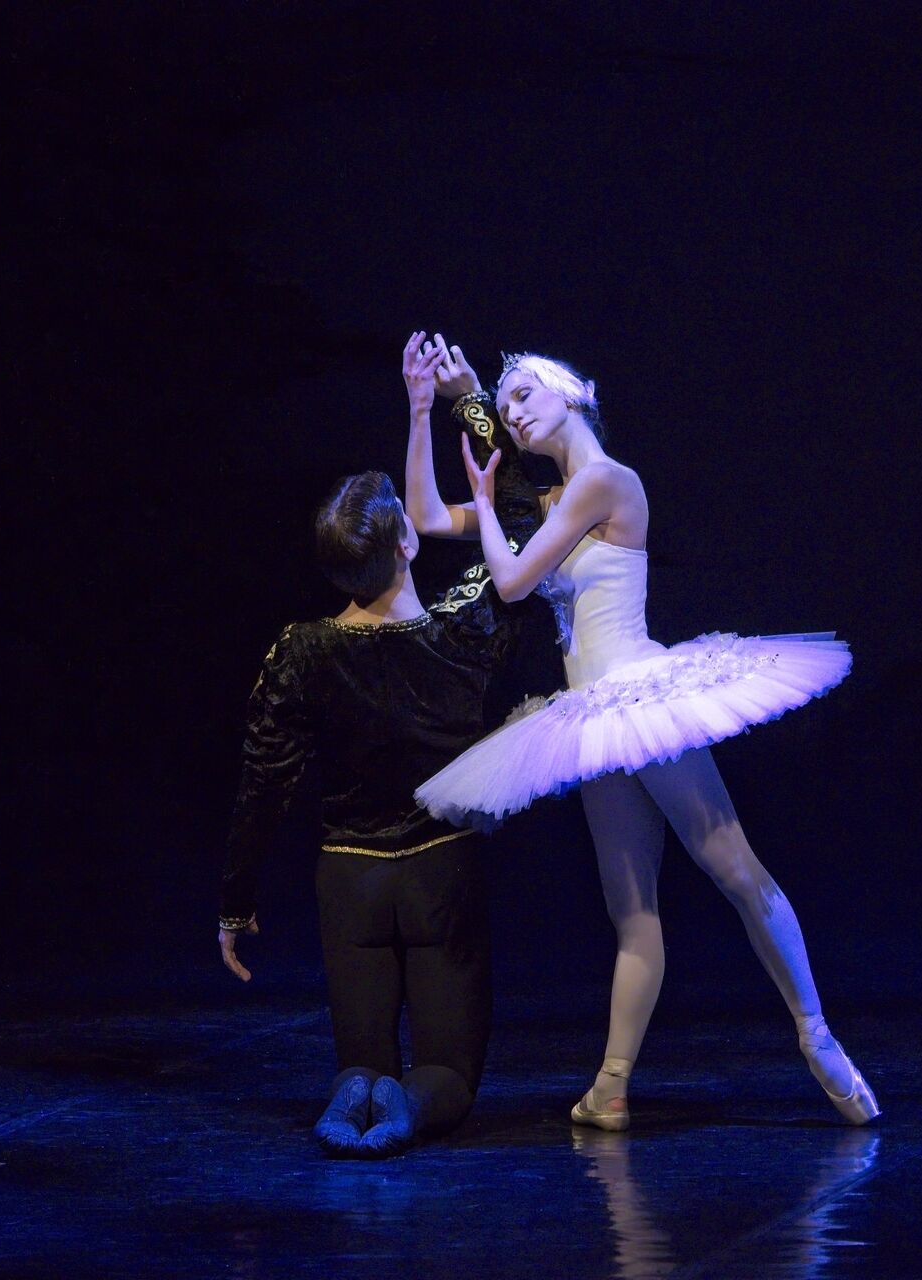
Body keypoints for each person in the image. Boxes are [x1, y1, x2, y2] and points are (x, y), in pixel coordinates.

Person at [408, 345, 878, 1130]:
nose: (512, 412)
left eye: (524, 395)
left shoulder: (606, 481)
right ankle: (612, 1086)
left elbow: (514, 581)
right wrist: (425, 407)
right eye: (504, 402)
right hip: (593, 722)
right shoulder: (553, 500)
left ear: (572, 396)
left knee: (734, 868)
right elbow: (425, 518)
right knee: (631, 914)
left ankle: (817, 1035)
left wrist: (486, 501)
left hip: (637, 697)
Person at [217, 333, 542, 1158]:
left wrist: (235, 902)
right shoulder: (465, 632)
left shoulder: (301, 650)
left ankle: (355, 1089)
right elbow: (518, 520)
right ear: (406, 543)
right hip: (440, 873)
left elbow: (264, 781)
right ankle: (406, 1106)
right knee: (449, 1075)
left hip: (348, 877)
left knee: (359, 1058)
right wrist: (459, 403)